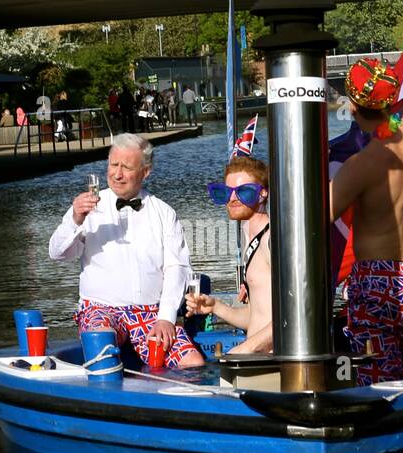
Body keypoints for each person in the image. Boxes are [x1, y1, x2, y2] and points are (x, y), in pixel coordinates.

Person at [330, 0, 403, 384]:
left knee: (378, 380)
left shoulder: (362, 166)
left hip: (375, 278)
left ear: (353, 109)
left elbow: (313, 217)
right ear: (390, 100)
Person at [49, 134, 205, 369]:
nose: (117, 174)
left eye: (126, 167)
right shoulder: (87, 208)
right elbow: (58, 254)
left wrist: (166, 317)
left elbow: (177, 268)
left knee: (193, 363)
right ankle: (105, 401)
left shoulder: (164, 212)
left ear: (146, 171)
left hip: (150, 312)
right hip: (100, 308)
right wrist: (75, 219)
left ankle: (163, 402)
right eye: (113, 165)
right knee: (101, 342)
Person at [188, 156, 272, 354]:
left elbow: (293, 316)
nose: (233, 199)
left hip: (278, 362)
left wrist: (244, 350)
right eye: (226, 192)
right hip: (258, 359)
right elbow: (258, 316)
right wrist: (216, 306)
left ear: (263, 194)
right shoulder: (250, 240)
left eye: (244, 192)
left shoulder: (272, 239)